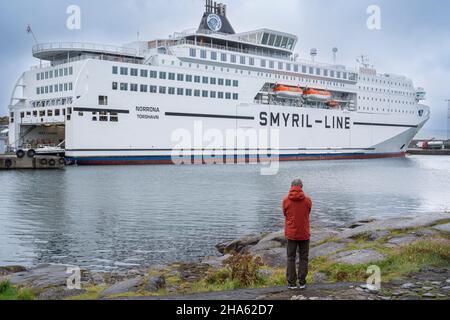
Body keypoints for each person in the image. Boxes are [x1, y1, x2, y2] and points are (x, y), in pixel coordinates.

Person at [282, 179, 312, 290]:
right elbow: (308, 212)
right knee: (304, 258)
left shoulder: (286, 200)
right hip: (304, 233)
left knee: (291, 258)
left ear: (291, 186)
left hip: (291, 234)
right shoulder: (308, 200)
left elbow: (285, 214)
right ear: (301, 187)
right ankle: (302, 282)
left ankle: (291, 283)